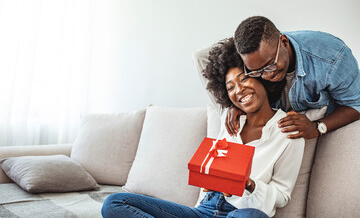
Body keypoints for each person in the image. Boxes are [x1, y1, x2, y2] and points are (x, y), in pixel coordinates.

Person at [101, 38, 304, 218]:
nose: (239, 90)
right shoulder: (229, 117)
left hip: (241, 211)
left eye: (243, 79)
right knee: (115, 203)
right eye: (230, 87)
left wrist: (249, 185)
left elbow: (282, 195)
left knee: (253, 216)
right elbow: (201, 58)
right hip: (204, 209)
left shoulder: (289, 130)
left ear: (260, 75)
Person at [195, 16, 360, 140]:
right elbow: (200, 57)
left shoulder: (332, 58)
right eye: (256, 72)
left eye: (270, 65)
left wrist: (318, 127)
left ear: (284, 42)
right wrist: (230, 105)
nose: (266, 76)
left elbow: (356, 105)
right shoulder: (250, 55)